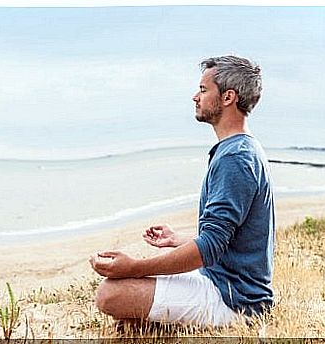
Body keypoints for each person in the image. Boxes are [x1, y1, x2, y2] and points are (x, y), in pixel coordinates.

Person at [89, 55, 275, 328]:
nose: (195, 97)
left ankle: (169, 322)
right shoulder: (238, 150)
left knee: (110, 294)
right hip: (221, 281)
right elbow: (229, 238)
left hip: (234, 300)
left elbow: (210, 248)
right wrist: (178, 239)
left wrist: (135, 267)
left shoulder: (235, 158)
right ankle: (152, 323)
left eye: (203, 89)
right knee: (124, 301)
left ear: (228, 97)